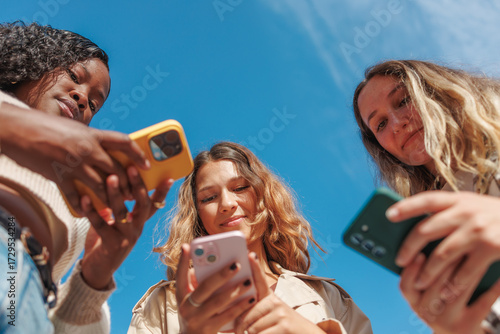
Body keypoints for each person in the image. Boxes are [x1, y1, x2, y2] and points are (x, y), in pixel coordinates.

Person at [0, 22, 172, 333]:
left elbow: (62, 326)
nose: (82, 98)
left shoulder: (81, 193)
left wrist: (95, 274)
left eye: (93, 104)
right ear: (35, 64)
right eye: (74, 76)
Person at [128, 142, 372, 334]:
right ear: (198, 215)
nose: (226, 204)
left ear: (264, 197)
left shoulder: (328, 297)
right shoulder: (162, 304)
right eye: (209, 197)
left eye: (240, 188)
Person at [353, 59, 500, 333]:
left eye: (403, 100)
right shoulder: (430, 227)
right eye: (381, 124)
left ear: (438, 90)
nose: (397, 124)